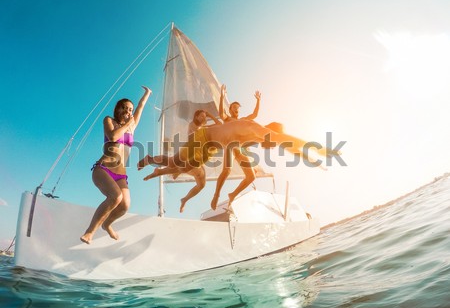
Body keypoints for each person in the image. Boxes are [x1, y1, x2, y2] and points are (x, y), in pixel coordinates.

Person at [140, 119, 340, 206]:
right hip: (203, 137)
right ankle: (151, 159)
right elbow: (290, 140)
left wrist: (311, 159)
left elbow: (288, 146)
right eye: (272, 142)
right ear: (270, 131)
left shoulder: (253, 138)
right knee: (180, 162)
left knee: (185, 166)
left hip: (210, 146)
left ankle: (157, 164)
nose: (269, 147)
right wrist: (323, 149)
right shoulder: (256, 129)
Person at [80, 86, 152, 244]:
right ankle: (90, 232)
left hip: (121, 174)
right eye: (125, 108)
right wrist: (126, 124)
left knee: (125, 205)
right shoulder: (109, 120)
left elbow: (140, 107)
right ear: (118, 109)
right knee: (116, 196)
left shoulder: (132, 127)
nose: (128, 111)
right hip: (103, 169)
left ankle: (107, 224)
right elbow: (113, 136)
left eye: (130, 109)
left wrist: (147, 94)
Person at [137, 109, 221, 212]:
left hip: (194, 156)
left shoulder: (203, 128)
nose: (204, 118)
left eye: (205, 116)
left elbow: (219, 124)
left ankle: (184, 199)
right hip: (188, 154)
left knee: (201, 184)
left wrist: (210, 115)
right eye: (202, 116)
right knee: (173, 164)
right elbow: (217, 126)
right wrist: (209, 117)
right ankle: (152, 163)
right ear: (196, 117)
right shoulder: (195, 126)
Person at [211, 84, 261, 210]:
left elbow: (254, 115)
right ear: (230, 110)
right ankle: (216, 194)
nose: (236, 109)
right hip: (230, 146)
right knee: (227, 170)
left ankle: (232, 194)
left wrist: (258, 101)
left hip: (239, 150)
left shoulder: (242, 120)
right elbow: (220, 113)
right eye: (234, 107)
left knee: (251, 177)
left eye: (238, 107)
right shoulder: (227, 119)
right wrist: (222, 97)